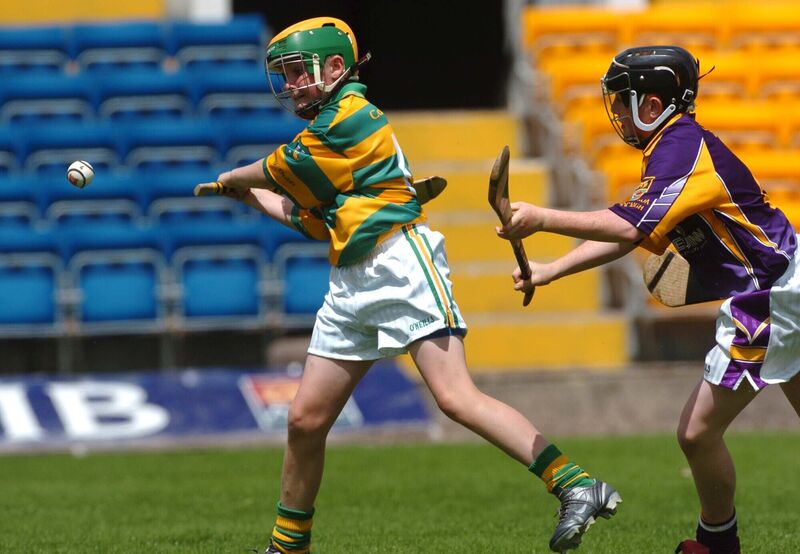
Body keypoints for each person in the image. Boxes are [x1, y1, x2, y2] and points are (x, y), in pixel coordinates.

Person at [195, 16, 620, 554]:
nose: (292, 85)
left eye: (299, 72)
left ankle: (577, 486)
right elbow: (312, 218)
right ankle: (288, 547)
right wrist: (251, 197)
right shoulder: (326, 132)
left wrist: (238, 178)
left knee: (455, 397)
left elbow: (282, 165)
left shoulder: (352, 115)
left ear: (334, 68)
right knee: (304, 420)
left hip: (400, 263)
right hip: (351, 280)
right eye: (284, 75)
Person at [497, 45, 800, 554]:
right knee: (700, 434)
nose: (615, 112)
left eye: (623, 101)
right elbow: (631, 236)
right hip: (785, 283)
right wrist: (551, 270)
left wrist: (542, 218)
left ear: (652, 104)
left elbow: (627, 224)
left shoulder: (681, 148)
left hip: (768, 297)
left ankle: (718, 543)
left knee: (696, 433)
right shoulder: (669, 148)